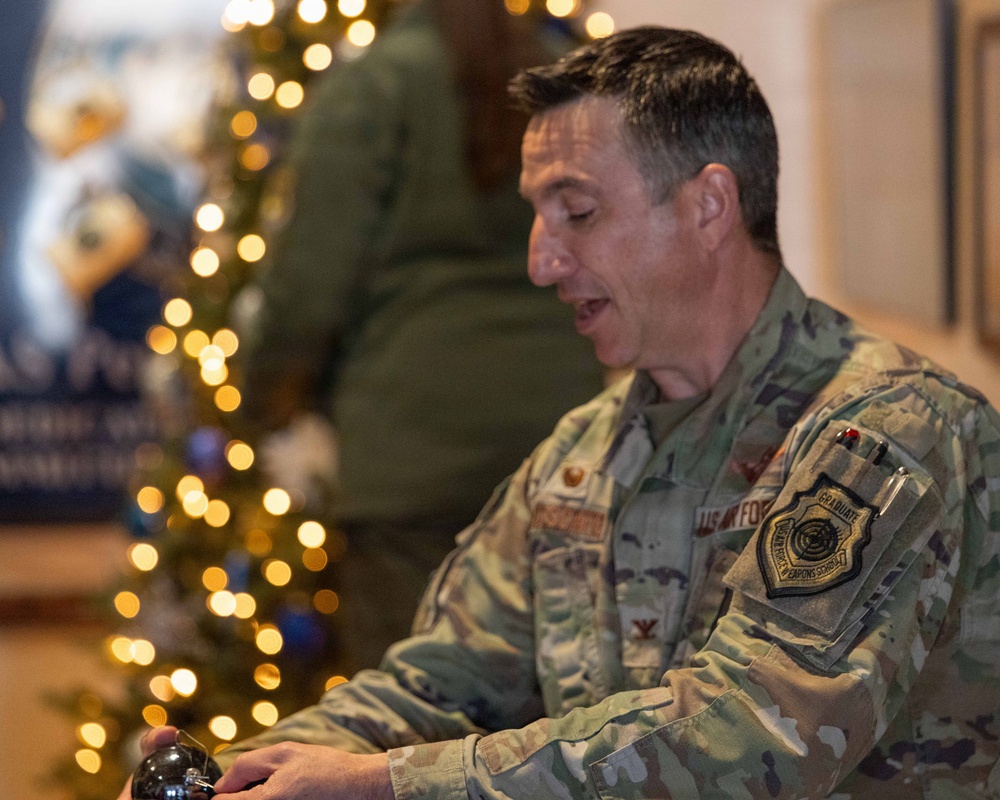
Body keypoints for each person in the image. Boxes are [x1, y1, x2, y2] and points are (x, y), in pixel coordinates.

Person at [125, 25, 1000, 799]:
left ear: (708, 206)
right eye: (536, 218)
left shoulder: (884, 435)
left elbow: (752, 740)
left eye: (577, 212)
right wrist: (258, 773)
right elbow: (441, 682)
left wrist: (389, 785)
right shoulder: (581, 452)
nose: (542, 262)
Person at [236, 0, 603, 674]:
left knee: (410, 723)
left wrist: (261, 403)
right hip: (565, 437)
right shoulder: (563, 85)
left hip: (411, 455)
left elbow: (309, 286)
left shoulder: (372, 86)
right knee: (558, 719)